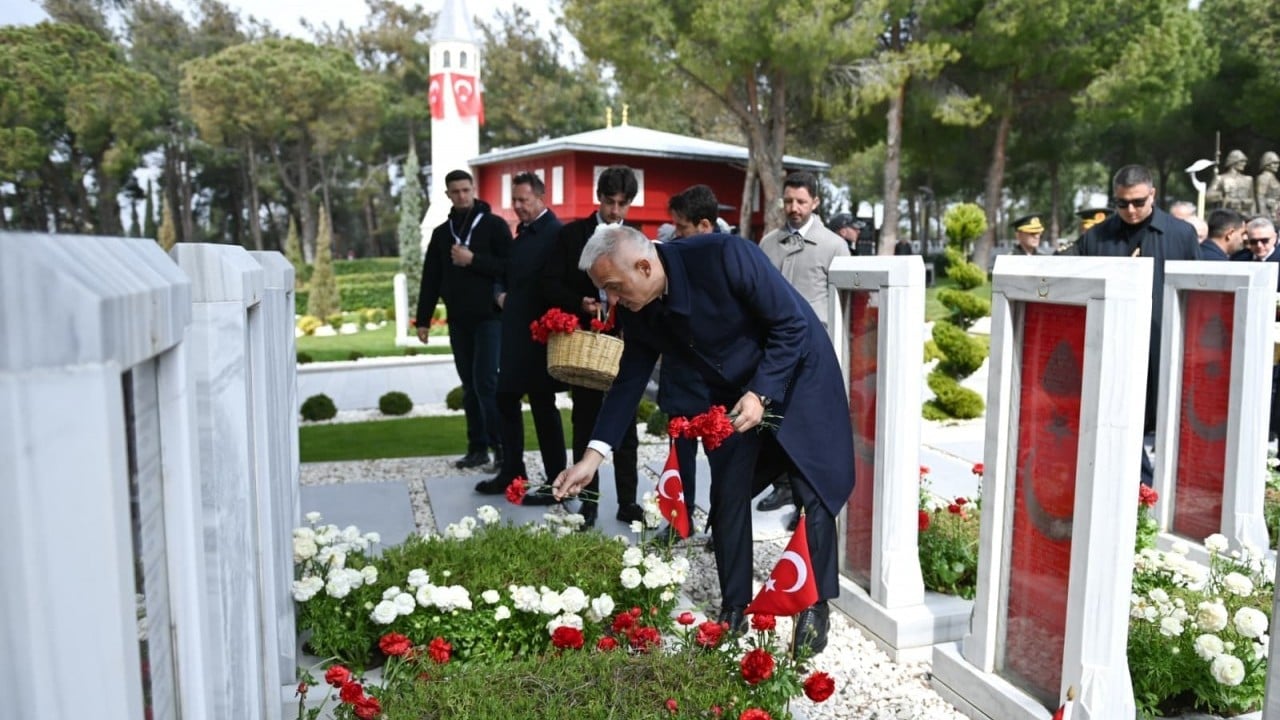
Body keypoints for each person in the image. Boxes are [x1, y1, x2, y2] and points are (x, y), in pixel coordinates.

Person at [551, 226, 855, 655]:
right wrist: (591, 458)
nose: (612, 301)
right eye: (605, 292)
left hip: (797, 373)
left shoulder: (725, 255)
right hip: (730, 394)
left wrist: (761, 392)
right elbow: (629, 380)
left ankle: (814, 604)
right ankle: (734, 606)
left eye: (615, 287)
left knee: (812, 487)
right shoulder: (638, 308)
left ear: (644, 266)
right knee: (729, 491)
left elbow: (791, 325)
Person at [1061, 165, 1200, 482]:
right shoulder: (1096, 237)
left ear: (1153, 194)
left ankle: (1170, 487)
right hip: (1115, 351)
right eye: (1122, 203)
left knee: (1170, 423)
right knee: (1121, 422)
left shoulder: (1181, 235)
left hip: (1165, 347)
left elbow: (1197, 293)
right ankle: (1140, 487)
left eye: (1138, 202)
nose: (1131, 210)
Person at [540, 166, 644, 528]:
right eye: (610, 202)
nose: (615, 211)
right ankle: (588, 504)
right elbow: (548, 283)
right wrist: (579, 302)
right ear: (598, 198)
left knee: (626, 428)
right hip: (584, 346)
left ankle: (628, 503)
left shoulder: (637, 238)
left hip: (624, 345)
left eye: (622, 204)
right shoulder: (571, 235)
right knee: (585, 424)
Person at [755, 171, 850, 525]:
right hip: (775, 353)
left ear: (816, 203)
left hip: (815, 358)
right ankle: (781, 486)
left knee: (811, 433)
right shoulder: (768, 243)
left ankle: (808, 504)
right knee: (777, 424)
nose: (794, 208)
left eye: (801, 201)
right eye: (789, 201)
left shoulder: (834, 246)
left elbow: (845, 305)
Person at [474, 173, 566, 502]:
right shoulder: (522, 232)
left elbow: (556, 283)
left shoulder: (556, 234)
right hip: (514, 333)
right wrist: (499, 294)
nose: (517, 206)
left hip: (539, 336)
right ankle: (512, 473)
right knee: (504, 398)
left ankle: (557, 481)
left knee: (543, 405)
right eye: (514, 200)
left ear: (541, 198)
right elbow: (505, 273)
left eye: (523, 200)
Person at [416, 169, 510, 470]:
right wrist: (423, 320)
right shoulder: (442, 234)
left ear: (474, 189)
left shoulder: (494, 226)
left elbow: (509, 267)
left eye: (466, 190)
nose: (462, 196)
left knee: (486, 382)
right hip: (458, 320)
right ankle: (477, 448)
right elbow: (431, 278)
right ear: (448, 195)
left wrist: (474, 260)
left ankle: (502, 449)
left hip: (490, 318)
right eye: (455, 191)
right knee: (469, 385)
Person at [651, 184, 720, 544]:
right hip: (680, 373)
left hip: (717, 380)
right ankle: (680, 521)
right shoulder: (673, 257)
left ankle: (723, 526)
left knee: (724, 461)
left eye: (681, 227)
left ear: (705, 226)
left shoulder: (732, 259)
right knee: (679, 455)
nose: (674, 234)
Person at [1207, 149, 1257, 214]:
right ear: (1233, 161)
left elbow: (1252, 201)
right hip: (1227, 213)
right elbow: (1208, 196)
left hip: (1245, 213)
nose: (1244, 164)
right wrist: (1222, 195)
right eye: (1242, 161)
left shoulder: (1248, 179)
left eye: (1244, 161)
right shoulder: (1221, 178)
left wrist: (1253, 215)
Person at [1256, 151, 1280, 221]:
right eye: (1274, 163)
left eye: (1277, 163)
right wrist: (1263, 217)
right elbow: (1260, 197)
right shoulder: (1263, 177)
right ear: (1267, 163)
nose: (1277, 165)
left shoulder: (1273, 177)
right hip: (1270, 214)